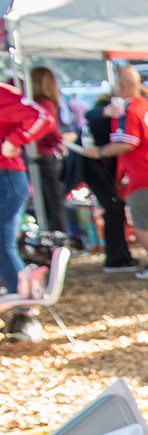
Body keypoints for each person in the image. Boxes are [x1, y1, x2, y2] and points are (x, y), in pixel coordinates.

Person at [79, 67, 148, 280]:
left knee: (143, 224)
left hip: (144, 173)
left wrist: (100, 152)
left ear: (120, 86)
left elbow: (128, 143)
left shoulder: (131, 109)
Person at [1, 79, 56, 342]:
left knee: (2, 246)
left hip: (6, 177)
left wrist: (14, 140)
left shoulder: (4, 94)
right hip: (8, 178)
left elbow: (42, 117)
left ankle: (25, 314)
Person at [81, 92, 136, 272]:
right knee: (113, 207)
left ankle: (120, 255)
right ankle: (116, 258)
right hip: (92, 163)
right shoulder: (105, 107)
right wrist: (106, 111)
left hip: (105, 164)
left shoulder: (129, 111)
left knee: (116, 207)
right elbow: (90, 114)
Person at [27, 67, 67, 236]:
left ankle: (53, 238)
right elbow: (50, 131)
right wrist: (62, 141)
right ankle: (59, 240)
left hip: (34, 155)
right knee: (55, 201)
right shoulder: (45, 104)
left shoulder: (31, 104)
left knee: (45, 201)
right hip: (46, 156)